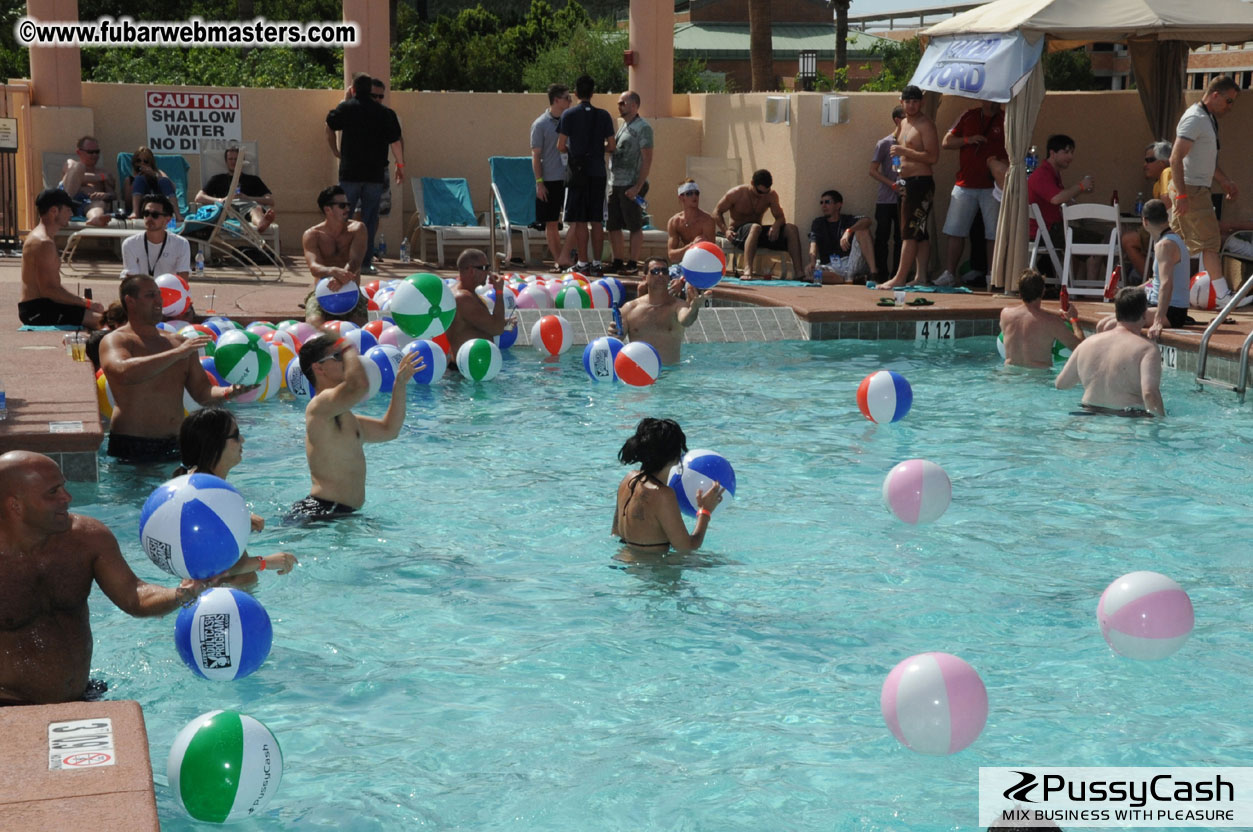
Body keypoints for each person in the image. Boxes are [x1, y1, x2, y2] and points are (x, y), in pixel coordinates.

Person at [0, 451, 207, 705]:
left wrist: (182, 593)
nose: (67, 497)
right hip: (10, 704)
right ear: (15, 505)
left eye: (63, 487)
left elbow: (134, 596)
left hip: (83, 695)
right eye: (53, 493)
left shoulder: (88, 538)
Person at [99, 275, 250, 463]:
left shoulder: (179, 343)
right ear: (130, 301)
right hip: (132, 444)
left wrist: (227, 392)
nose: (159, 301)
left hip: (176, 443)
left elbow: (202, 391)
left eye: (159, 295)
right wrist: (177, 353)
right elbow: (122, 372)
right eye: (150, 295)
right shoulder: (117, 340)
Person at [288, 332, 424, 520]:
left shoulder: (349, 419)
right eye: (338, 356)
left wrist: (399, 384)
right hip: (321, 513)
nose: (346, 360)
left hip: (336, 514)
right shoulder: (318, 407)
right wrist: (347, 346)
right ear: (319, 368)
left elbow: (390, 430)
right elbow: (358, 386)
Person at [173, 408, 297, 588]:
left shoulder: (195, 485)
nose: (243, 440)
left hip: (217, 595)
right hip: (220, 596)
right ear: (214, 444)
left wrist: (239, 521)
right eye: (236, 435)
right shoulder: (208, 495)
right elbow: (208, 569)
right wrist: (265, 562)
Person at [325, 73, 404, 276]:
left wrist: (335, 151)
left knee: (343, 218)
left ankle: (343, 260)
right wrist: (400, 165)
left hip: (350, 173)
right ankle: (365, 263)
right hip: (374, 175)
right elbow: (395, 142)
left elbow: (330, 125)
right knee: (368, 221)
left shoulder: (347, 108)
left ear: (353, 90)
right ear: (370, 90)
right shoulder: (384, 113)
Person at [612, 418, 723, 556]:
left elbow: (616, 532)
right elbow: (686, 548)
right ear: (677, 455)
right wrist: (705, 511)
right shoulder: (663, 495)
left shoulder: (628, 479)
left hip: (623, 558)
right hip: (654, 567)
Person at [1170, 75, 1238, 285]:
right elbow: (1175, 158)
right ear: (1215, 95)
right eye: (1228, 101)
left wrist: (1224, 181)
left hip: (1192, 188)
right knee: (1210, 242)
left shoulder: (1207, 118)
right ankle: (1222, 295)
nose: (1230, 107)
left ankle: (1157, 287)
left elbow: (1204, 160)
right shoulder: (1196, 118)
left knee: (1174, 243)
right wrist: (1182, 195)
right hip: (1191, 189)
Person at [1055, 286, 1164, 417]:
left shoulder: (1087, 343)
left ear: (1116, 312)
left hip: (1088, 414)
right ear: (1144, 314)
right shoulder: (1147, 349)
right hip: (1127, 419)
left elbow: (1061, 384)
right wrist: (1161, 422)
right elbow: (1149, 393)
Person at [937, 100, 1005, 287]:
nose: (993, 102)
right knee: (955, 230)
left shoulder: (1006, 119)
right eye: (989, 98)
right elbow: (946, 142)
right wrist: (968, 140)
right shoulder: (968, 115)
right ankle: (949, 273)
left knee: (993, 233)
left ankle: (992, 276)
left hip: (993, 186)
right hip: (965, 184)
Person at [878, 86, 939, 290]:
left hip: (920, 183)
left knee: (909, 232)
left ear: (921, 102)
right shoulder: (903, 123)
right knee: (919, 232)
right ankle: (920, 276)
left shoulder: (926, 125)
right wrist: (898, 162)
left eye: (915, 101)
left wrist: (905, 152)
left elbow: (933, 157)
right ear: (901, 102)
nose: (911, 105)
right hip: (905, 183)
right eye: (908, 101)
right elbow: (897, 150)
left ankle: (900, 277)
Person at [19, 189, 104, 328]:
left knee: (108, 317)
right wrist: (87, 303)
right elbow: (49, 290)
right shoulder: (43, 242)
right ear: (54, 211)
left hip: (46, 304)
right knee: (107, 322)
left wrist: (83, 303)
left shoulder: (45, 238)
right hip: (37, 310)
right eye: (68, 210)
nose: (71, 214)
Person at [557, 74, 615, 276]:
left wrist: (574, 152)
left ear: (576, 93)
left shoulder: (568, 115)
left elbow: (560, 145)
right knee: (597, 220)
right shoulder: (604, 115)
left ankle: (583, 262)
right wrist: (598, 150)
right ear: (593, 93)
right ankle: (597, 263)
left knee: (580, 220)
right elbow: (612, 145)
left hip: (578, 172)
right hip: (598, 172)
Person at [607, 256, 708, 365]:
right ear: (645, 278)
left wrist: (694, 308)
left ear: (668, 277)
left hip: (671, 373)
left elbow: (687, 321)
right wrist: (613, 335)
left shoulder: (678, 305)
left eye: (664, 271)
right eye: (655, 271)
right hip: (638, 372)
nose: (660, 274)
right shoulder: (629, 309)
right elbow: (617, 341)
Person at [1026, 134, 1101, 282]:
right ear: (1052, 153)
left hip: (1049, 229)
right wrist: (1081, 186)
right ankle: (1089, 290)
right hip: (1044, 232)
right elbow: (1056, 198)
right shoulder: (1042, 174)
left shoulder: (1053, 173)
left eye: (1072, 152)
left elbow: (1059, 199)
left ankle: (1076, 286)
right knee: (1099, 243)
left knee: (1085, 237)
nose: (1070, 157)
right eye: (1066, 152)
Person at [713, 169, 803, 280]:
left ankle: (799, 273)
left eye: (766, 192)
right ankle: (748, 271)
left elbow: (780, 217)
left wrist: (776, 225)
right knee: (755, 227)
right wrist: (726, 231)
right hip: (738, 233)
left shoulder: (771, 195)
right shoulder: (736, 193)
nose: (762, 195)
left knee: (791, 228)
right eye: (760, 192)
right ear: (752, 183)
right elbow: (716, 212)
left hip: (757, 233)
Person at [302, 185, 369, 325]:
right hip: (322, 293)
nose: (347, 209)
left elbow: (355, 261)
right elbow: (314, 267)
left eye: (348, 204)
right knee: (314, 325)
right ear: (328, 209)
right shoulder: (312, 235)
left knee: (359, 327)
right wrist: (332, 271)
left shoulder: (358, 229)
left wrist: (341, 278)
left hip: (351, 292)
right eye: (342, 205)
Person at [606, 90, 654, 275]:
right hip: (615, 183)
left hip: (631, 184)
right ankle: (618, 261)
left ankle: (633, 263)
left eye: (623, 103)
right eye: (619, 103)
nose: (619, 106)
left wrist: (638, 187)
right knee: (613, 225)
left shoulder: (643, 128)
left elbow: (647, 159)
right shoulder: (623, 126)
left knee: (634, 225)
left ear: (634, 105)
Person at [998, 269, 1082, 368]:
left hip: (1009, 374)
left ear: (1020, 292)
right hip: (1039, 376)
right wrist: (1074, 319)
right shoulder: (1052, 322)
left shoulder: (1005, 315)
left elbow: (1029, 315)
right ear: (1043, 291)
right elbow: (1081, 348)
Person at [1139, 199, 1194, 338]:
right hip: (1159, 306)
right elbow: (1156, 280)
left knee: (1111, 324)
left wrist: (1158, 320)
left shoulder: (1165, 245)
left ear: (1145, 221)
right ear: (1167, 217)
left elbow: (1166, 283)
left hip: (1171, 312)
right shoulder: (1167, 240)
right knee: (1114, 316)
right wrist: (1126, 292)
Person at [531, 83, 573, 266]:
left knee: (576, 221)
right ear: (556, 100)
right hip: (550, 179)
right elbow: (536, 155)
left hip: (570, 178)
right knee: (552, 222)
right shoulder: (540, 124)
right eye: (567, 98)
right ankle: (559, 260)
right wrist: (539, 183)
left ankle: (567, 256)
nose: (570, 101)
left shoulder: (570, 121)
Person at [1120, 141, 1174, 280]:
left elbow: (1167, 206)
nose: (1145, 165)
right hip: (1165, 230)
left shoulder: (1167, 173)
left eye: (1149, 160)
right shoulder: (1158, 184)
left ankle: (1152, 281)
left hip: (1170, 230)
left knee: (1127, 240)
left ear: (1162, 162)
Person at [194, 145, 276, 233]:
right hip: (226, 208)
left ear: (242, 161)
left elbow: (270, 200)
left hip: (247, 206)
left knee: (256, 208)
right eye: (230, 159)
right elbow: (199, 197)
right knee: (253, 208)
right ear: (226, 161)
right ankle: (261, 221)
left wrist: (247, 198)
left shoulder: (253, 180)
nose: (233, 161)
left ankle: (261, 223)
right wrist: (221, 200)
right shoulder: (217, 179)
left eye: (236, 159)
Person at [445, 248, 511, 356]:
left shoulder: (466, 293)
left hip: (471, 363)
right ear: (472, 271)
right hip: (467, 365)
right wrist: (499, 291)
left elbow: (472, 325)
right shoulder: (463, 299)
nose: (489, 272)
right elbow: (497, 329)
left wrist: (504, 322)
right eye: (485, 268)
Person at [807, 189, 877, 284]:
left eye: (827, 202)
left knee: (863, 231)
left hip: (851, 262)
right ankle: (851, 280)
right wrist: (812, 262)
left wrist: (849, 231)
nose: (823, 206)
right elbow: (813, 243)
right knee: (811, 274)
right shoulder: (818, 223)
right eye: (821, 203)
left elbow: (867, 221)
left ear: (838, 205)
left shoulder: (847, 220)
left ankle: (873, 275)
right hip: (830, 266)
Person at [868, 105, 905, 282]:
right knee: (882, 237)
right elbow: (873, 170)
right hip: (885, 200)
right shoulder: (885, 143)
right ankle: (880, 273)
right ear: (897, 120)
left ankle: (898, 274)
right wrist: (891, 184)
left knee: (901, 238)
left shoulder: (910, 142)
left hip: (903, 198)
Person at [120, 195, 191, 284]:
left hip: (169, 291)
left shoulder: (181, 243)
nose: (149, 218)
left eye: (155, 215)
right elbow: (132, 282)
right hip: (141, 291)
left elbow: (183, 281)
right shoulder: (130, 244)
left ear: (168, 219)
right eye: (146, 213)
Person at [58, 135, 116, 227]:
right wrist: (100, 177)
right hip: (66, 198)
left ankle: (95, 218)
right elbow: (77, 177)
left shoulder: (104, 172)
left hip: (87, 203)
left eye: (97, 152)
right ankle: (64, 209)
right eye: (90, 152)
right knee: (78, 166)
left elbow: (113, 195)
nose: (95, 155)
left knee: (99, 204)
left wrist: (105, 195)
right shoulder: (71, 165)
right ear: (79, 152)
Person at [125, 146, 182, 222]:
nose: (142, 163)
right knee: (139, 179)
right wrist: (136, 181)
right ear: (135, 163)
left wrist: (154, 175)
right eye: (138, 161)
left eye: (145, 161)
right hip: (142, 208)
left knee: (164, 181)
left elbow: (172, 188)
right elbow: (127, 202)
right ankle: (135, 212)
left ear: (150, 163)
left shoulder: (158, 173)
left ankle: (177, 215)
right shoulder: (130, 179)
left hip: (159, 206)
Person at [666, 179, 717, 262]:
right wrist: (692, 246)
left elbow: (711, 254)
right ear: (681, 197)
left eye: (697, 193)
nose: (694, 196)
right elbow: (672, 256)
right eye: (689, 193)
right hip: (685, 262)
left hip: (703, 263)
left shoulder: (707, 220)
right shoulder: (674, 222)